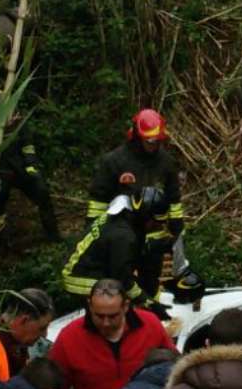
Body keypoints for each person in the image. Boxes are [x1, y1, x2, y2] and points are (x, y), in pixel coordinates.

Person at [61, 108, 184, 303]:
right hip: (124, 230)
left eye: (158, 141)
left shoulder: (166, 162)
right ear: (136, 135)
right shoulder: (115, 161)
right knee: (120, 274)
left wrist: (177, 225)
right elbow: (99, 199)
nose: (154, 146)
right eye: (150, 141)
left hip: (154, 231)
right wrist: (95, 227)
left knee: (151, 274)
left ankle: (149, 306)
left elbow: (174, 196)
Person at [51, 278, 172, 389]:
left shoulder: (150, 325)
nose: (106, 323)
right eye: (99, 316)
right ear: (89, 305)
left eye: (112, 316)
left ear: (126, 306)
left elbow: (176, 371)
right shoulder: (70, 337)